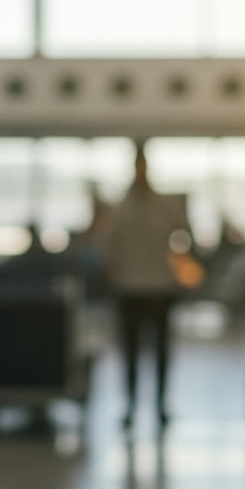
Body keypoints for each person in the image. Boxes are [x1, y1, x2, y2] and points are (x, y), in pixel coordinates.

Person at [101, 147, 195, 431]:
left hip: (159, 287)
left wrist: (180, 269)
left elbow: (185, 238)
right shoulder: (121, 208)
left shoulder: (164, 207)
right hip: (129, 288)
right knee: (129, 352)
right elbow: (109, 249)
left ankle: (160, 405)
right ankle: (130, 405)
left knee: (161, 352)